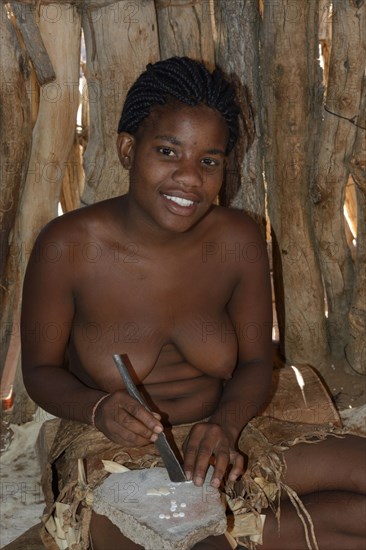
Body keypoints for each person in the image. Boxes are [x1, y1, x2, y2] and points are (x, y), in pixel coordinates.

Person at [21, 57, 365, 550]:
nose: (189, 178)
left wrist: (224, 424)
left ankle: (249, 530)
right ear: (127, 149)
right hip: (116, 447)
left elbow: (253, 361)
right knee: (190, 539)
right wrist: (98, 409)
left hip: (229, 432)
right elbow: (39, 370)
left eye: (209, 160)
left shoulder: (238, 238)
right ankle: (245, 534)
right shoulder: (69, 246)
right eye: (167, 151)